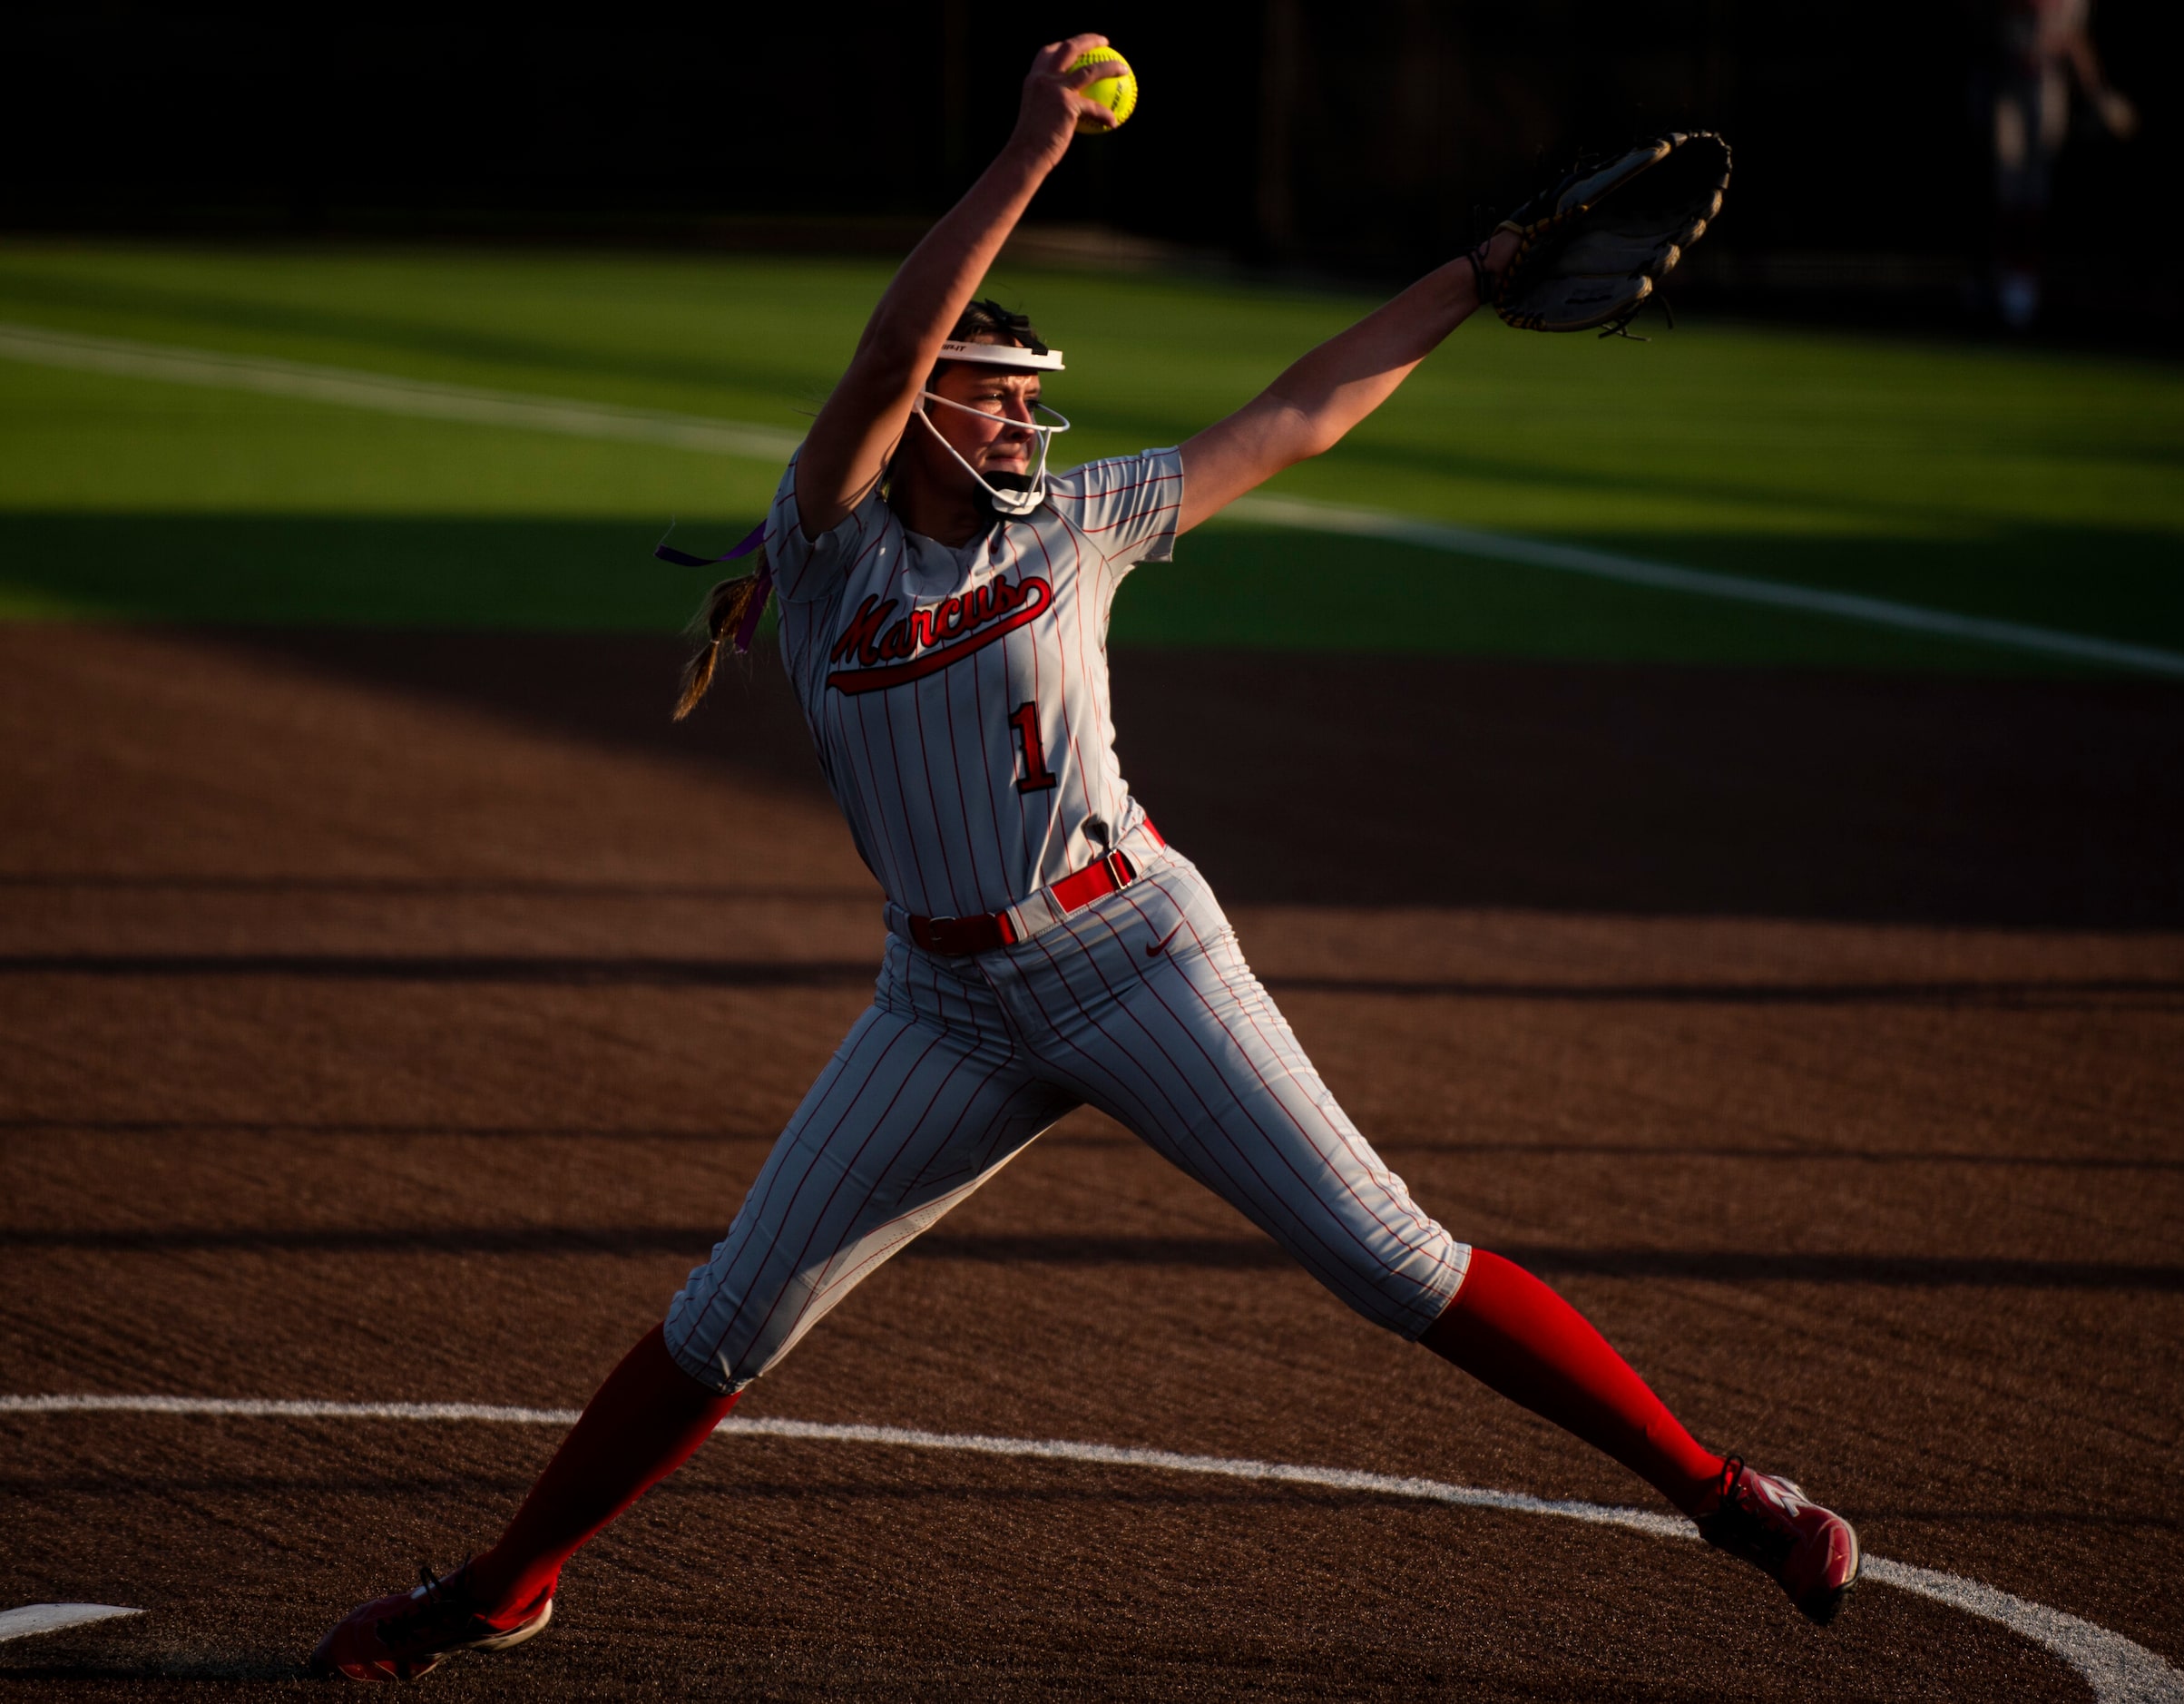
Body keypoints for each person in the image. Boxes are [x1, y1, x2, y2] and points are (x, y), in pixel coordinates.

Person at [309, 34, 1859, 1682]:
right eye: (993, 390)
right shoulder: (830, 547)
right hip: (940, 1005)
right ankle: (505, 1582)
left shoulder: (1081, 522)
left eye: (1035, 395)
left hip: (1135, 955)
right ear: (918, 413)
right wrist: (1035, 145)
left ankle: (1727, 1495)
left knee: (1390, 1255)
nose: (1023, 415)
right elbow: (895, 340)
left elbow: (1301, 406)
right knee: (727, 1317)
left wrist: (1473, 277)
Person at [1989, 0, 2138, 328]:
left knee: (2034, 188)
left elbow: (2074, 42)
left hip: (2046, 84)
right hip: (2010, 81)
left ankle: (2023, 282)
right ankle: (1999, 276)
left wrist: (2100, 95)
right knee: (2008, 185)